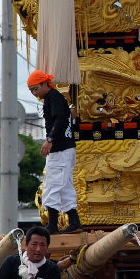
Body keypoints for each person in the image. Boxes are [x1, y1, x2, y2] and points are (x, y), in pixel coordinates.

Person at [28, 69, 81, 233]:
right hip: (65, 148)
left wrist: (50, 140)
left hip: (60, 149)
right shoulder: (56, 98)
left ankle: (52, 225)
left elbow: (59, 120)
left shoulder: (53, 97)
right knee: (64, 187)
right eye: (31, 91)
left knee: (52, 185)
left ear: (45, 83)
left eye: (36, 88)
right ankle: (74, 223)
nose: (34, 93)